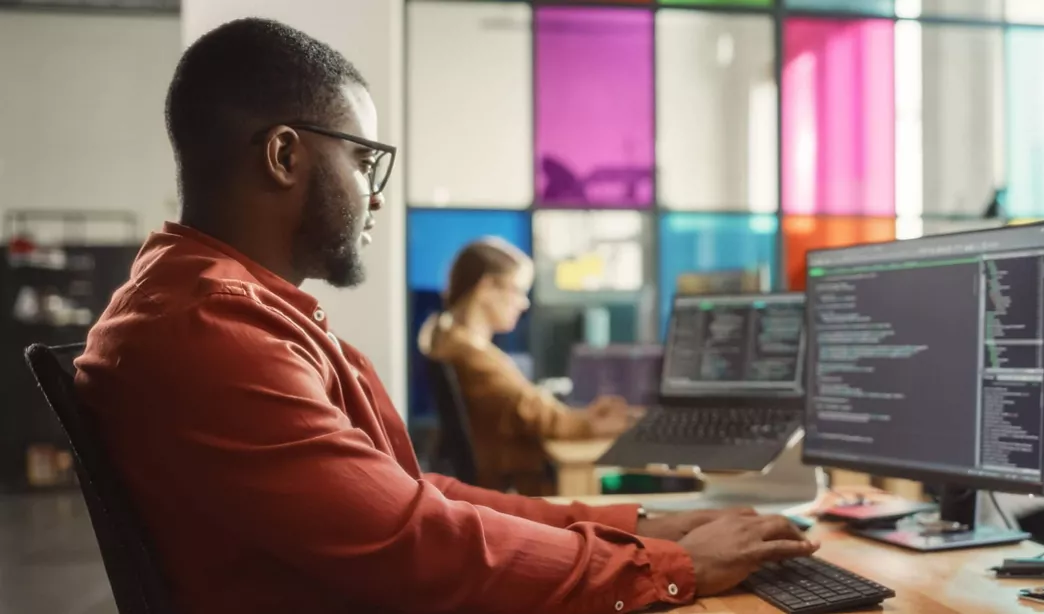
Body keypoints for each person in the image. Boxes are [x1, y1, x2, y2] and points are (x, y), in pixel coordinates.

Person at [74, 17, 815, 614]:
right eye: (365, 162)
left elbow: (416, 496)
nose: (377, 196)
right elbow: (417, 543)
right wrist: (677, 566)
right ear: (283, 155)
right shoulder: (211, 331)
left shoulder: (227, 307)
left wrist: (649, 527)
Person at [419, 238, 636, 495]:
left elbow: (525, 406)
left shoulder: (453, 339)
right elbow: (535, 414)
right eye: (517, 290)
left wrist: (585, 416)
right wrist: (594, 424)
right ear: (487, 287)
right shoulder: (468, 353)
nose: (524, 303)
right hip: (516, 488)